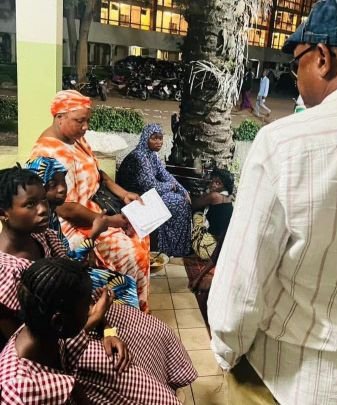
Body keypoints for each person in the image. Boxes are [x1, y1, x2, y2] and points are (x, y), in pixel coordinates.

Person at [207, 0, 337, 404]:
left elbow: (239, 291)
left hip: (288, 382)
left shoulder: (286, 143)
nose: (296, 77)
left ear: (323, 58)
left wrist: (227, 354)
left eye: (297, 63)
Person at [0, 166, 197, 403]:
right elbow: (36, 341)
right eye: (30, 204)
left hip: (79, 319)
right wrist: (92, 322)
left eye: (43, 199)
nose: (43, 209)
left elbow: (74, 280)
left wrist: (106, 329)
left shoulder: (43, 237)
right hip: (64, 344)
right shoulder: (5, 275)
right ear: (3, 213)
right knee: (129, 369)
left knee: (155, 331)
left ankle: (164, 384)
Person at [29, 90, 151, 312]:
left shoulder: (75, 139)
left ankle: (134, 306)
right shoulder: (47, 153)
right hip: (72, 225)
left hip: (95, 210)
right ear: (60, 117)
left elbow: (97, 172)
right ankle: (124, 312)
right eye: (80, 121)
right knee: (132, 254)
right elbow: (65, 208)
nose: (85, 126)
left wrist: (122, 193)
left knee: (141, 231)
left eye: (87, 120)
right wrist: (111, 222)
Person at [25, 157, 139, 308]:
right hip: (59, 288)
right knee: (122, 283)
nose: (62, 188)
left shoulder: (51, 215)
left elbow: (64, 257)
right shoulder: (39, 226)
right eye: (52, 184)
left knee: (125, 282)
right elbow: (63, 269)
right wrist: (93, 235)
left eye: (63, 181)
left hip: (66, 273)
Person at [117, 123, 192, 257]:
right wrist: (171, 186)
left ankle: (174, 248)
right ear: (146, 138)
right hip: (134, 198)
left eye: (160, 138)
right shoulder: (139, 157)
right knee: (179, 202)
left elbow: (164, 174)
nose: (159, 142)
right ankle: (169, 248)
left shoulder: (151, 155)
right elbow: (151, 186)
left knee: (180, 198)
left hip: (147, 194)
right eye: (154, 138)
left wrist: (183, 190)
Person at [191, 168, 234, 260]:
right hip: (221, 247)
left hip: (208, 248)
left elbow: (194, 204)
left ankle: (189, 246)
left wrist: (206, 192)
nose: (213, 185)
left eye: (218, 183)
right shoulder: (230, 198)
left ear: (225, 186)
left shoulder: (214, 196)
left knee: (197, 214)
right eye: (212, 181)